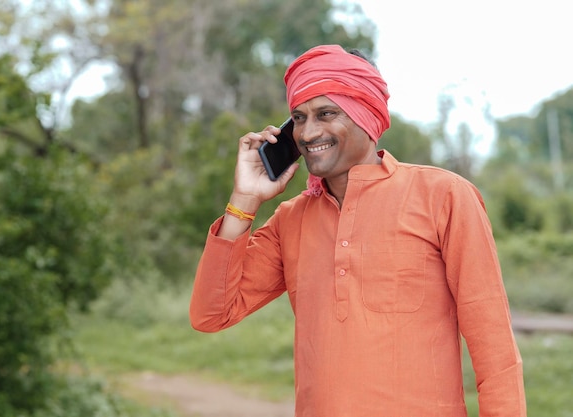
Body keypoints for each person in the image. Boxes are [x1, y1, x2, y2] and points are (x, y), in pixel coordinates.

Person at [189, 44, 526, 416]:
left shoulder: (443, 196)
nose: (308, 132)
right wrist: (245, 200)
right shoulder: (292, 219)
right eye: (298, 118)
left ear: (366, 114)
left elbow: (494, 347)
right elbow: (211, 314)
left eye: (326, 113)